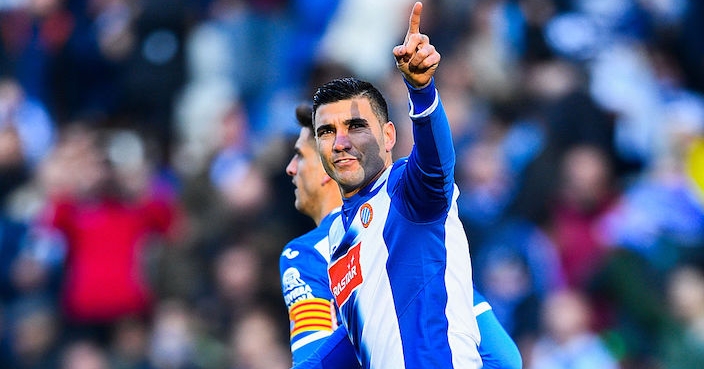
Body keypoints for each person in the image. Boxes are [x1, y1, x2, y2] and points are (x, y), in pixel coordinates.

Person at [290, 3, 495, 366]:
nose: (340, 142)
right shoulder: (339, 236)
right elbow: (347, 345)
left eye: (355, 127)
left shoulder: (405, 190)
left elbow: (436, 165)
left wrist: (422, 91)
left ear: (388, 136)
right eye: (326, 132)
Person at [282, 103, 522, 369]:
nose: (291, 168)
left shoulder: (307, 253)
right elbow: (504, 359)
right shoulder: (422, 245)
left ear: (329, 164)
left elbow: (313, 361)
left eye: (300, 156)